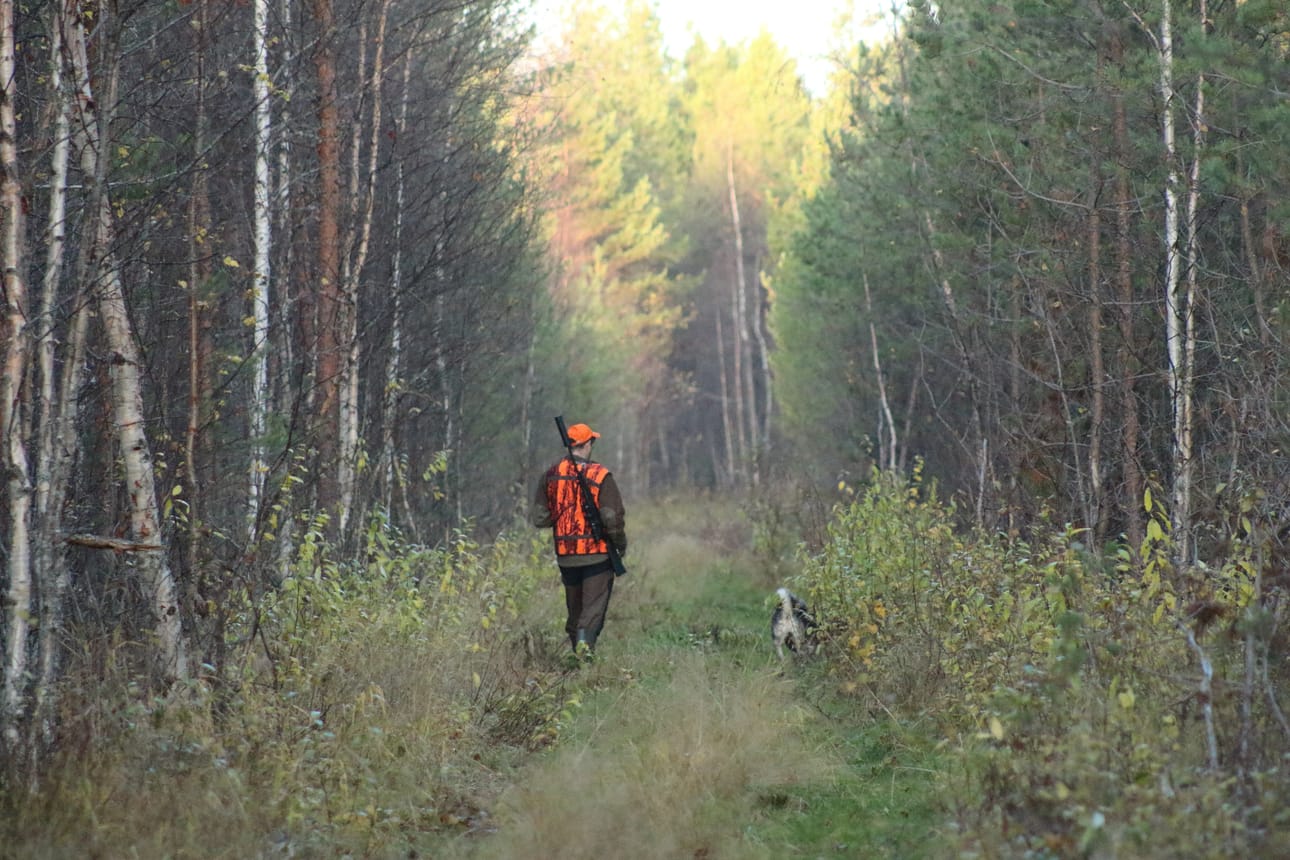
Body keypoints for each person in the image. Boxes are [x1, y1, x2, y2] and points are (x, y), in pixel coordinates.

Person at [533, 422, 627, 659]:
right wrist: (620, 544)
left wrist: (564, 510)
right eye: (591, 441)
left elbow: (540, 518)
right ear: (587, 444)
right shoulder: (600, 475)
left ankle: (576, 656)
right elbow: (611, 517)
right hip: (596, 555)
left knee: (575, 610)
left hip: (566, 556)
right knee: (591, 611)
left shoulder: (550, 475)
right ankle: (583, 660)